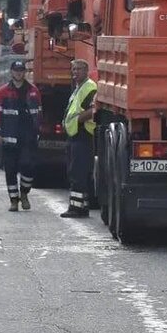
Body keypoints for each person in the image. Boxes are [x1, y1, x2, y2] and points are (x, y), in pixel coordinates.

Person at [0, 60, 41, 212]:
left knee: (28, 167)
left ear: (24, 72)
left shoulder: (33, 91)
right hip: (9, 138)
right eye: (16, 70)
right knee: (10, 170)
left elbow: (38, 114)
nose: (18, 73)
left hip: (27, 138)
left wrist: (37, 133)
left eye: (21, 70)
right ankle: (14, 200)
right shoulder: (3, 91)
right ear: (11, 72)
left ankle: (24, 193)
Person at [61, 59, 97, 218]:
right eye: (73, 69)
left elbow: (93, 109)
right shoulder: (78, 88)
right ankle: (82, 205)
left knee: (78, 173)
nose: (75, 72)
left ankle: (76, 208)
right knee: (75, 171)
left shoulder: (89, 87)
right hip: (75, 135)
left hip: (83, 135)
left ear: (86, 70)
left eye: (79, 69)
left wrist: (78, 120)